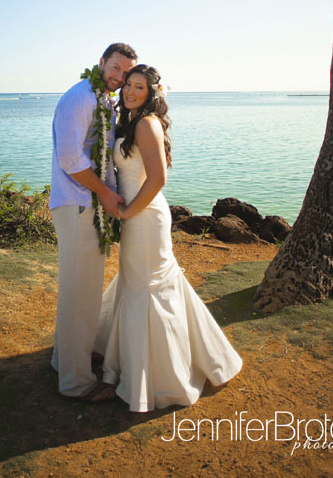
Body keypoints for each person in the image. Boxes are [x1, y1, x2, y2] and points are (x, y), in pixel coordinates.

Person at [93, 65, 242, 411]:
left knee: (146, 290)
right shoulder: (130, 121)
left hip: (145, 218)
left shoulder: (146, 124)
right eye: (128, 85)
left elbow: (157, 179)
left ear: (151, 93)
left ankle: (148, 377)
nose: (129, 91)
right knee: (135, 286)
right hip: (135, 216)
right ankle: (119, 370)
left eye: (138, 88)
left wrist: (128, 213)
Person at [50, 42, 137, 400]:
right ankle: (75, 382)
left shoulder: (102, 99)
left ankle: (64, 361)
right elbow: (71, 157)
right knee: (79, 295)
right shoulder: (81, 98)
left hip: (87, 205)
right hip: (78, 204)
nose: (118, 76)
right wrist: (104, 192)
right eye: (115, 67)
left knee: (81, 290)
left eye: (125, 72)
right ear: (101, 62)